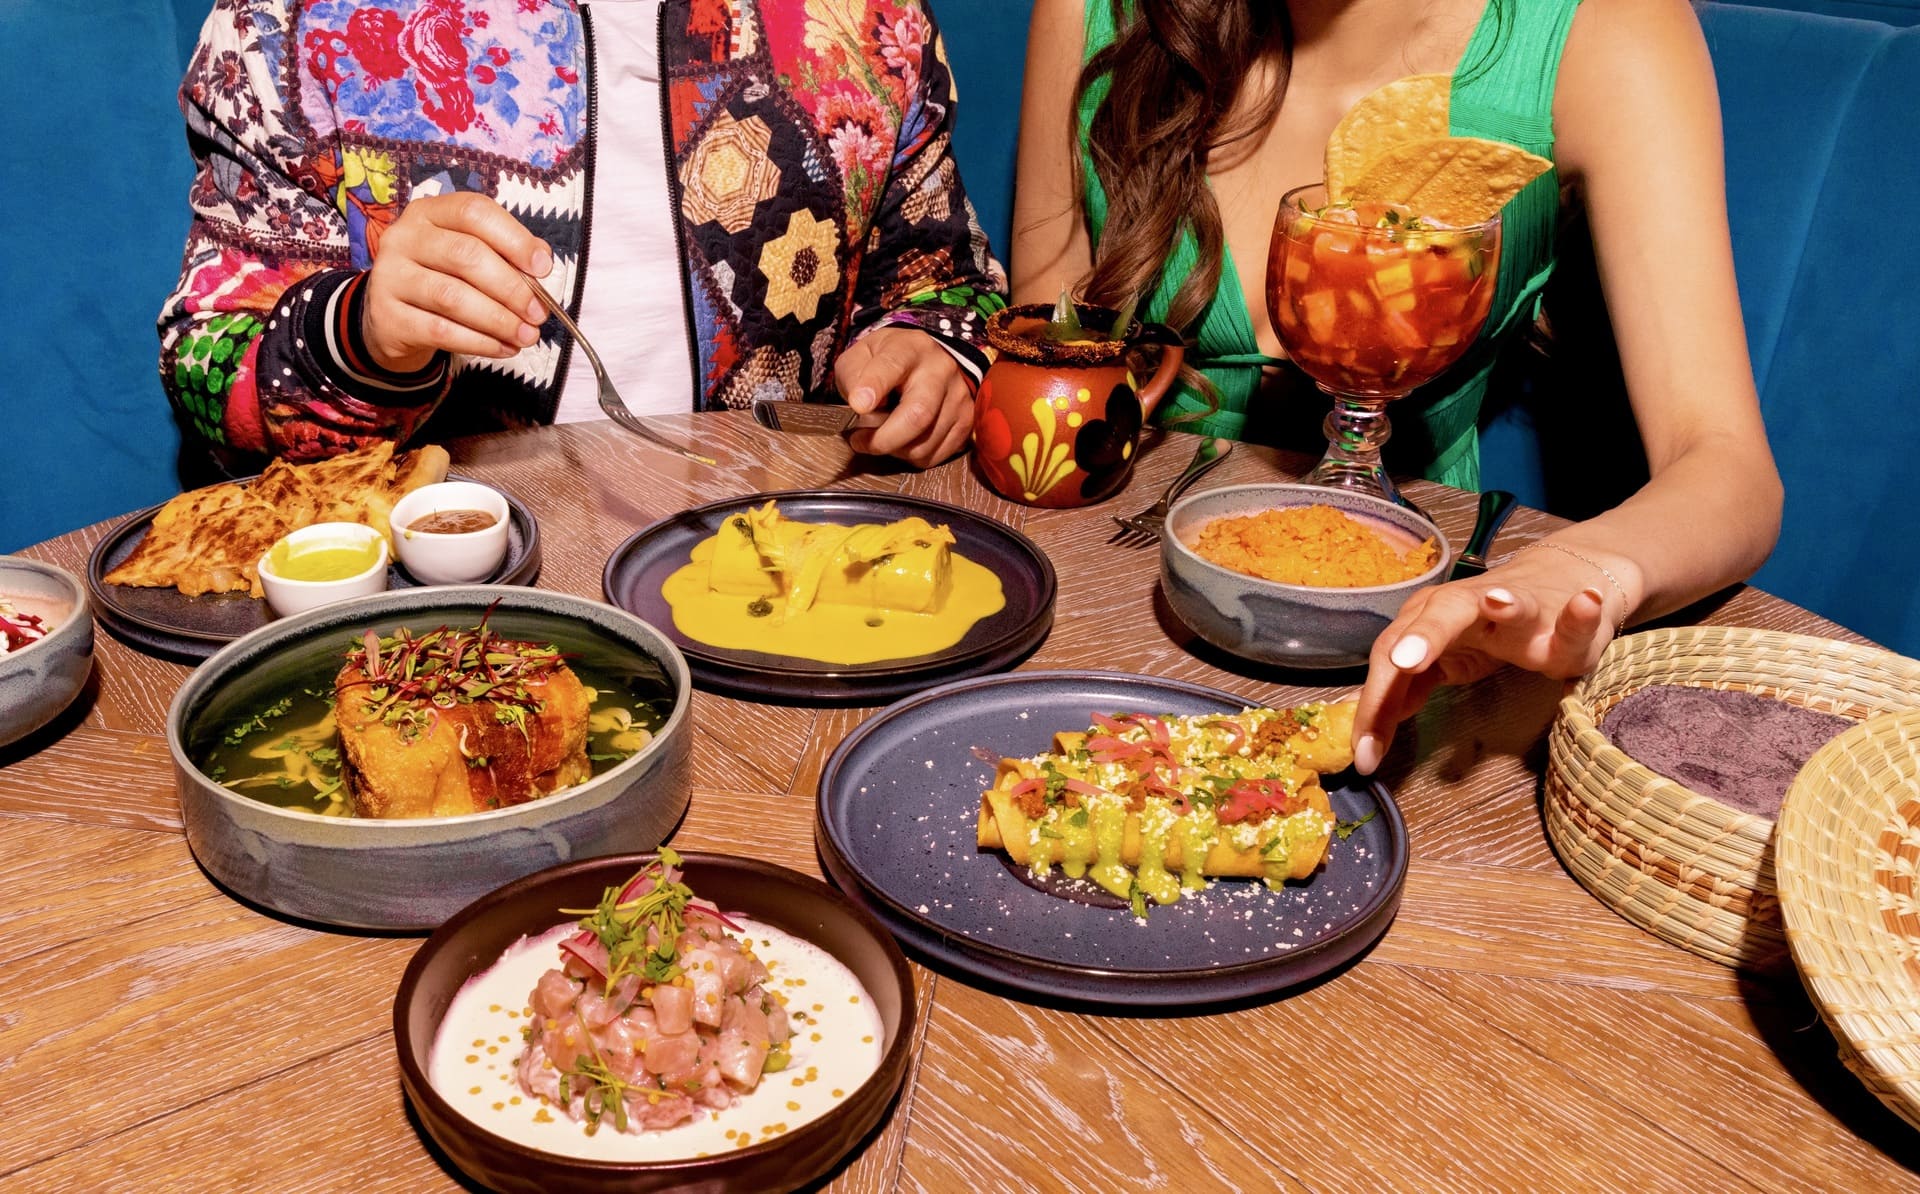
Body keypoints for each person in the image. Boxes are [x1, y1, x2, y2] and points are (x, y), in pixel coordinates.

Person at [1013, 0, 1782, 773]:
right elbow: (1042, 343)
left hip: (1402, 632)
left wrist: (1583, 570)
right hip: (1111, 567)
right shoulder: (1093, 12)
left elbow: (1723, 460)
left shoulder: (1603, 27)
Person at [161, 0, 1005, 476]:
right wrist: (362, 334)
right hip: (435, 608)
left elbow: (946, 286)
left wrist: (932, 355)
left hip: (787, 571)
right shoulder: (290, 25)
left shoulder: (868, 21)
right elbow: (203, 364)